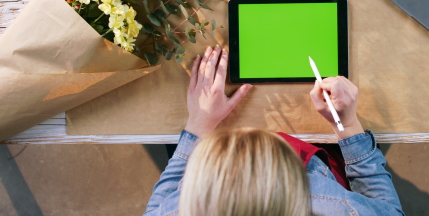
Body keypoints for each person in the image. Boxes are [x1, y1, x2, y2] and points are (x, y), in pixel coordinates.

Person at [144, 45, 404, 215]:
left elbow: (158, 205)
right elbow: (389, 210)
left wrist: (199, 124)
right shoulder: (338, 206)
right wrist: (346, 125)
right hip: (327, 159)